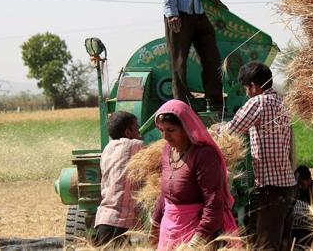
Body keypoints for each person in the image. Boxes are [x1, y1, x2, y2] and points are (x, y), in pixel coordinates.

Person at [219, 61, 297, 251]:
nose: (246, 93)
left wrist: (216, 129)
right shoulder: (283, 102)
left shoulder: (258, 102)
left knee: (266, 246)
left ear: (253, 86)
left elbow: (231, 130)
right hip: (288, 186)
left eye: (246, 88)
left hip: (271, 189)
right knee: (283, 244)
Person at [150, 99, 238, 250]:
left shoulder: (204, 155)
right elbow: (165, 195)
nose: (165, 136)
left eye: (171, 130)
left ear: (186, 128)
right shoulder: (166, 152)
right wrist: (155, 225)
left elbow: (213, 203)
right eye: (161, 130)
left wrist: (195, 243)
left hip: (196, 235)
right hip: (168, 234)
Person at [94, 111, 144, 247]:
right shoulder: (134, 145)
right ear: (128, 132)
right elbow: (157, 151)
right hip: (118, 221)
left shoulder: (108, 148)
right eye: (137, 128)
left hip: (104, 218)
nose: (139, 131)